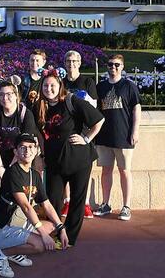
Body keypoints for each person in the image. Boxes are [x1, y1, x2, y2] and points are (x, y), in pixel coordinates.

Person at [33, 68, 104, 247]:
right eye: (46, 85)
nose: (49, 89)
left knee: (77, 201)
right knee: (53, 198)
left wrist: (86, 138)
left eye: (53, 85)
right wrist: (40, 156)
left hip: (78, 159)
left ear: (60, 86)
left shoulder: (72, 101)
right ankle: (55, 230)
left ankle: (69, 238)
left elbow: (99, 120)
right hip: (55, 161)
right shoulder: (40, 107)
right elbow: (38, 134)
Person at [0, 133, 69, 278]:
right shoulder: (13, 173)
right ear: (15, 152)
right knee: (40, 245)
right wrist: (43, 235)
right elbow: (25, 206)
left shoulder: (35, 175)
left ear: (36, 150)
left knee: (51, 226)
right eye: (23, 147)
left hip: (19, 223)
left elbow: (47, 204)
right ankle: (1, 254)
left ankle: (16, 251)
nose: (27, 151)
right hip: (2, 229)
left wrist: (61, 228)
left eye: (31, 147)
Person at [94, 54, 142, 222]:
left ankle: (126, 206)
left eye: (116, 64)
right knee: (105, 170)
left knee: (124, 171)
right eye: (110, 64)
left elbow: (136, 109)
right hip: (104, 136)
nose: (112, 67)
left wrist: (135, 131)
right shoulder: (100, 87)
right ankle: (105, 203)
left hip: (123, 136)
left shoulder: (129, 86)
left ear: (122, 67)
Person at [0, 81, 39, 212]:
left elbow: (25, 145)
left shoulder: (26, 114)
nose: (5, 98)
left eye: (9, 94)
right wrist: (0, 167)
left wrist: (10, 169)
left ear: (16, 96)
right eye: (1, 95)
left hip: (19, 159)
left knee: (20, 195)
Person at [61, 50, 98, 219]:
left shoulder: (87, 81)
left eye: (74, 61)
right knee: (66, 168)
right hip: (67, 128)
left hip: (84, 130)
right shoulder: (61, 82)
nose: (71, 64)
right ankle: (68, 201)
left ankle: (84, 204)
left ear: (79, 62)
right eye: (68, 61)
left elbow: (94, 106)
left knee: (84, 168)